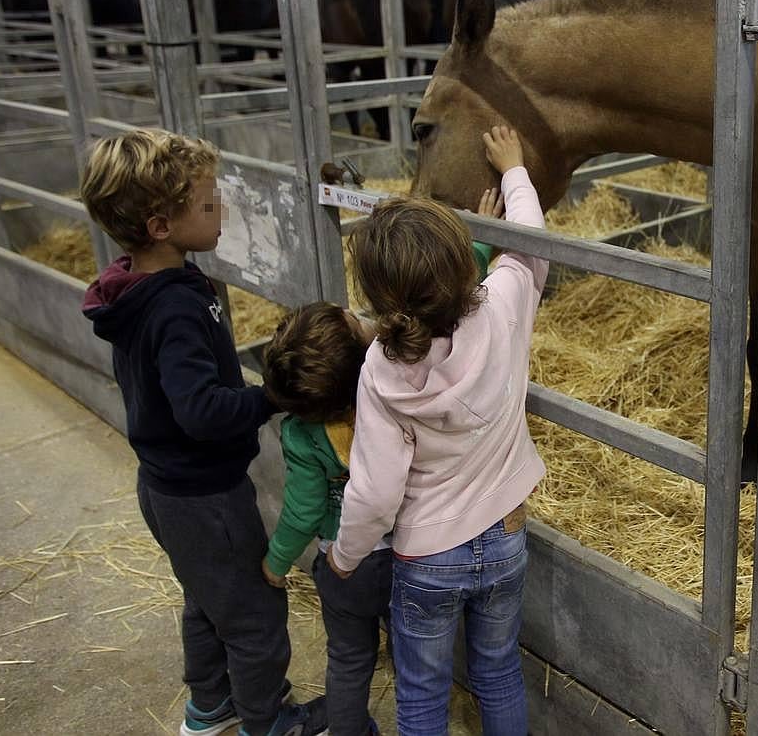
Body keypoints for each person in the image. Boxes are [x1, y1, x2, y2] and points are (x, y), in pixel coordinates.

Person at [79, 128, 324, 736]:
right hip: (204, 496)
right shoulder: (175, 307)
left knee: (208, 600)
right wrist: (269, 396)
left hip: (167, 488)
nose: (222, 210)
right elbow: (203, 412)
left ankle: (211, 705)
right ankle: (267, 722)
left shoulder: (139, 290)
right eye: (210, 203)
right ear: (161, 225)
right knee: (254, 615)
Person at [327, 125, 548, 736]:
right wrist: (514, 170)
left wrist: (345, 557)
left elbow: (373, 493)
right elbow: (530, 241)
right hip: (506, 536)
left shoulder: (381, 370)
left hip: (426, 556)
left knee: (422, 693)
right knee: (499, 670)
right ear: (463, 263)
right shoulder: (503, 304)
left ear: (376, 295)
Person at [257, 197, 503, 736]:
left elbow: (301, 510)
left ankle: (349, 730)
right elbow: (442, 292)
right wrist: (481, 242)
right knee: (416, 654)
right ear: (363, 354)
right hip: (405, 556)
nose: (363, 316)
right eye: (356, 319)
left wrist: (277, 563)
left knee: (348, 659)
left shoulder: (301, 435)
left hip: (344, 565)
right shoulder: (386, 395)